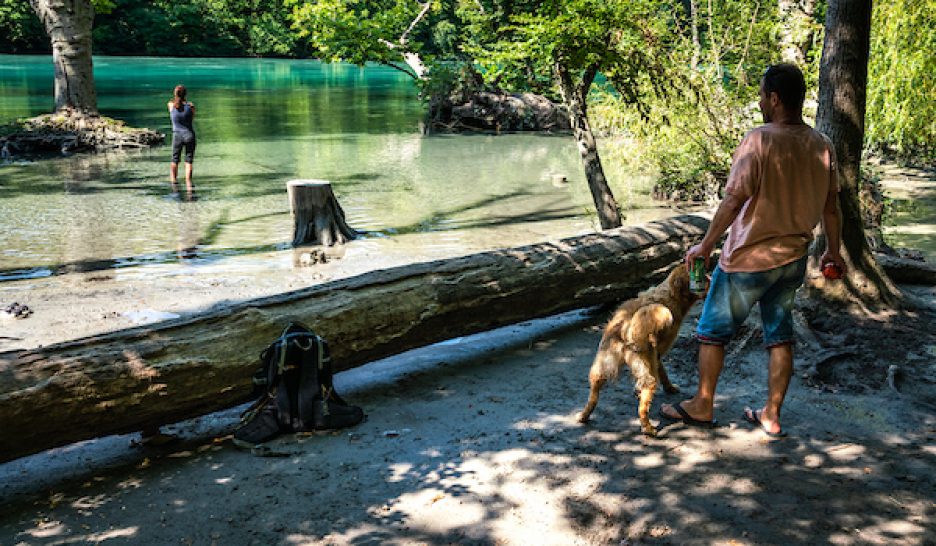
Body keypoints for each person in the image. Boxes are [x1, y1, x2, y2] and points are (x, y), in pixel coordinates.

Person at [660, 63, 846, 437]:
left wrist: (706, 244)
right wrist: (834, 252)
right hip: (793, 260)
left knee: (711, 332)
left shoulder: (758, 140)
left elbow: (733, 200)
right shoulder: (821, 144)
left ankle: (702, 405)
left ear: (775, 99)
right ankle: (771, 415)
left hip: (747, 260)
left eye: (762, 95)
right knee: (780, 335)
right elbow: (831, 208)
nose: (760, 102)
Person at [168, 84, 196, 199]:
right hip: (189, 135)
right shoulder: (191, 107)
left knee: (175, 161)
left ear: (175, 94)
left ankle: (174, 184)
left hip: (177, 136)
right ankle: (189, 187)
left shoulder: (171, 105)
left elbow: (173, 105)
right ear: (185, 95)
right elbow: (192, 118)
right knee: (188, 162)